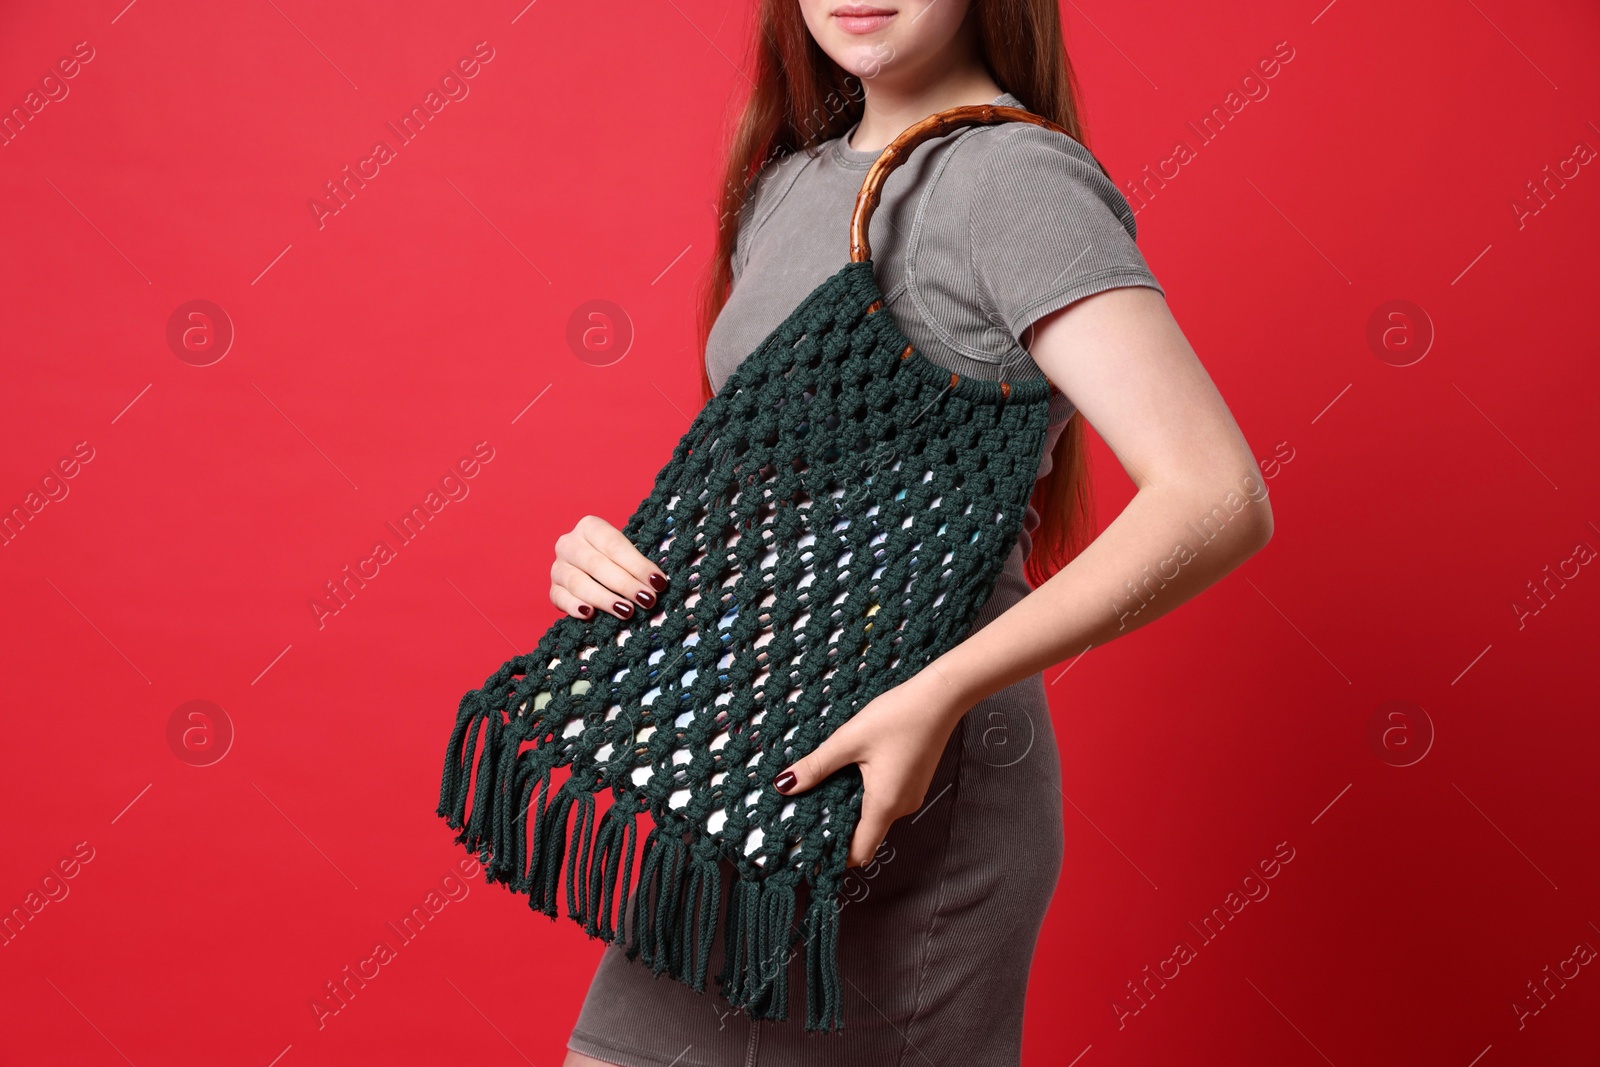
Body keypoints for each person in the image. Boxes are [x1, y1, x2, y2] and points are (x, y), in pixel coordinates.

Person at [552, 2, 1273, 1064]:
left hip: (911, 793)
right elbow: (782, 485)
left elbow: (1214, 494)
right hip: (749, 780)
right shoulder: (789, 181)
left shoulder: (1009, 181)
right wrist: (619, 559)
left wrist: (934, 693)